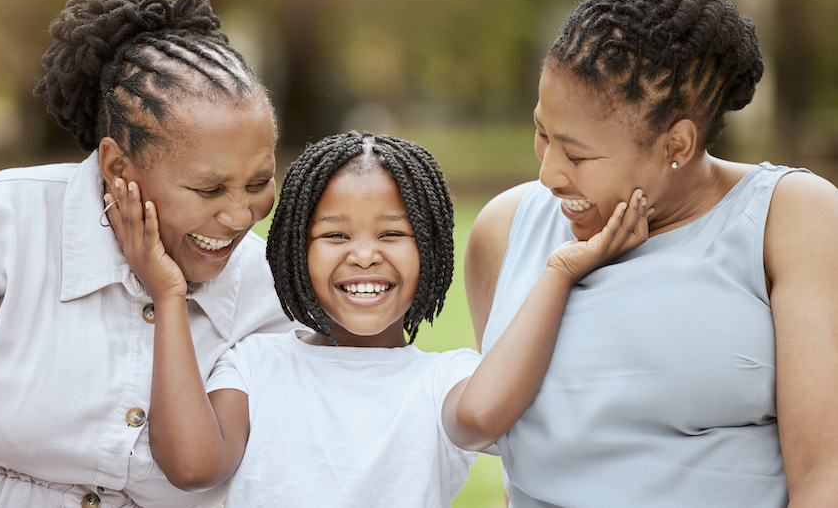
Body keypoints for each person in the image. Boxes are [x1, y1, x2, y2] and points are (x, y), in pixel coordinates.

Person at [107, 130, 650, 507]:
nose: (364, 255)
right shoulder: (256, 364)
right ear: (296, 249)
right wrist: (169, 292)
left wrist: (559, 272)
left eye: (392, 234)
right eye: (336, 235)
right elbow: (193, 466)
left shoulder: (443, 381)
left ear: (432, 251)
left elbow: (482, 417)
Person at [465, 0, 838, 507]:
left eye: (578, 153)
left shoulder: (792, 219)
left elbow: (823, 478)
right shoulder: (504, 230)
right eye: (542, 133)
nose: (548, 174)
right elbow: (512, 458)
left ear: (677, 145)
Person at [0, 0, 294, 507]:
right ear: (116, 166)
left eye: (259, 182)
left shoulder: (270, 292)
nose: (241, 215)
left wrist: (169, 292)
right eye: (209, 187)